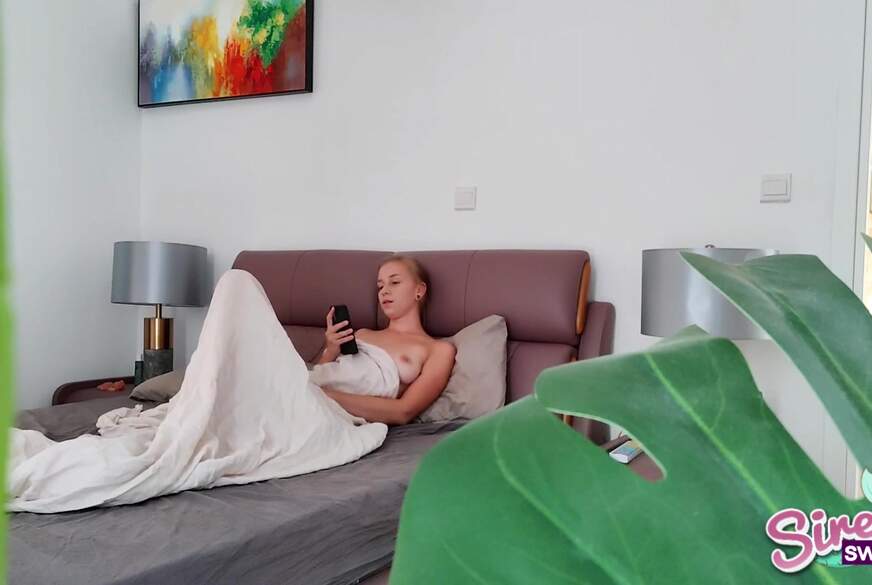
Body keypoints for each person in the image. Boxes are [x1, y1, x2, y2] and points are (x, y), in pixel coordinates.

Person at [316, 254, 456, 424]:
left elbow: (404, 412)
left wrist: (323, 396)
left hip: (327, 409)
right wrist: (330, 350)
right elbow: (323, 376)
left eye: (394, 282)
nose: (384, 291)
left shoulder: (438, 350)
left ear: (419, 291)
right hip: (313, 397)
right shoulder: (361, 335)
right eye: (380, 286)